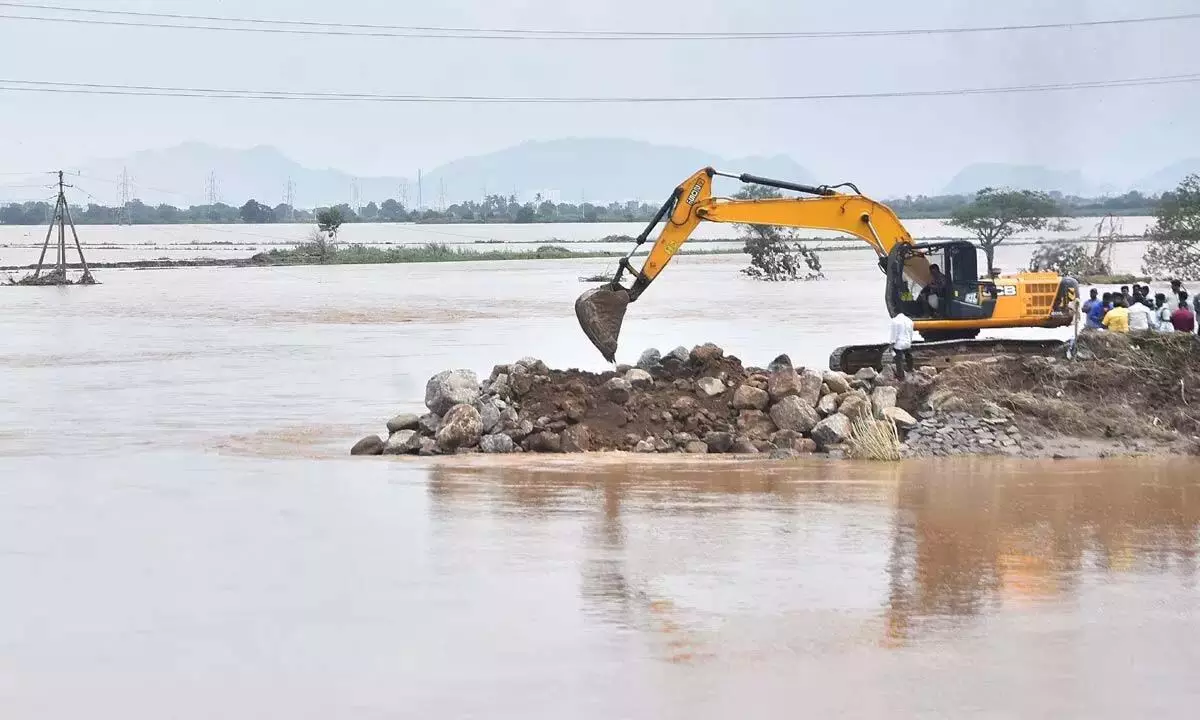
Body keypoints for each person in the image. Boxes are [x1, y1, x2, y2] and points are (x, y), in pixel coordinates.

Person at [890, 311, 914, 380]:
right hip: (907, 343)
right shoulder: (909, 321)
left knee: (898, 358)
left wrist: (891, 345)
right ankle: (910, 369)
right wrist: (910, 342)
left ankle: (900, 376)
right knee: (908, 355)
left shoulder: (895, 321)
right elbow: (911, 333)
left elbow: (894, 335)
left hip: (899, 344)